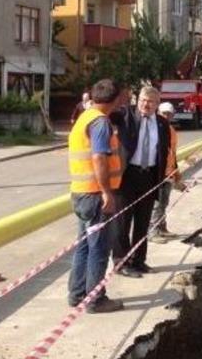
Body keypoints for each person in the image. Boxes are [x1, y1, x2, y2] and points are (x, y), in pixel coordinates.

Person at [66, 79, 124, 313]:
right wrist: (106, 192)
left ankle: (77, 294)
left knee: (84, 246)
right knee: (99, 248)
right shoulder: (100, 123)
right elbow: (99, 157)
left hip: (82, 193)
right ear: (115, 99)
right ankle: (95, 299)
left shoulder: (85, 117)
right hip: (94, 195)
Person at [110, 86, 172, 277]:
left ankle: (139, 261)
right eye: (143, 100)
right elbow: (108, 114)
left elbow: (164, 152)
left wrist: (166, 177)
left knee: (143, 222)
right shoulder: (125, 115)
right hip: (127, 176)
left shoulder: (162, 124)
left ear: (157, 104)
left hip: (149, 176)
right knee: (122, 222)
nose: (146, 104)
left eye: (151, 101)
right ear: (138, 100)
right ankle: (121, 263)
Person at [150, 102, 185, 244]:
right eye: (164, 113)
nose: (166, 116)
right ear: (158, 112)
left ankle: (162, 228)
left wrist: (176, 173)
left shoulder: (170, 130)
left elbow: (172, 153)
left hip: (168, 172)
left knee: (164, 203)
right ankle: (153, 232)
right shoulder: (154, 128)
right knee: (157, 204)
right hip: (158, 173)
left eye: (168, 114)